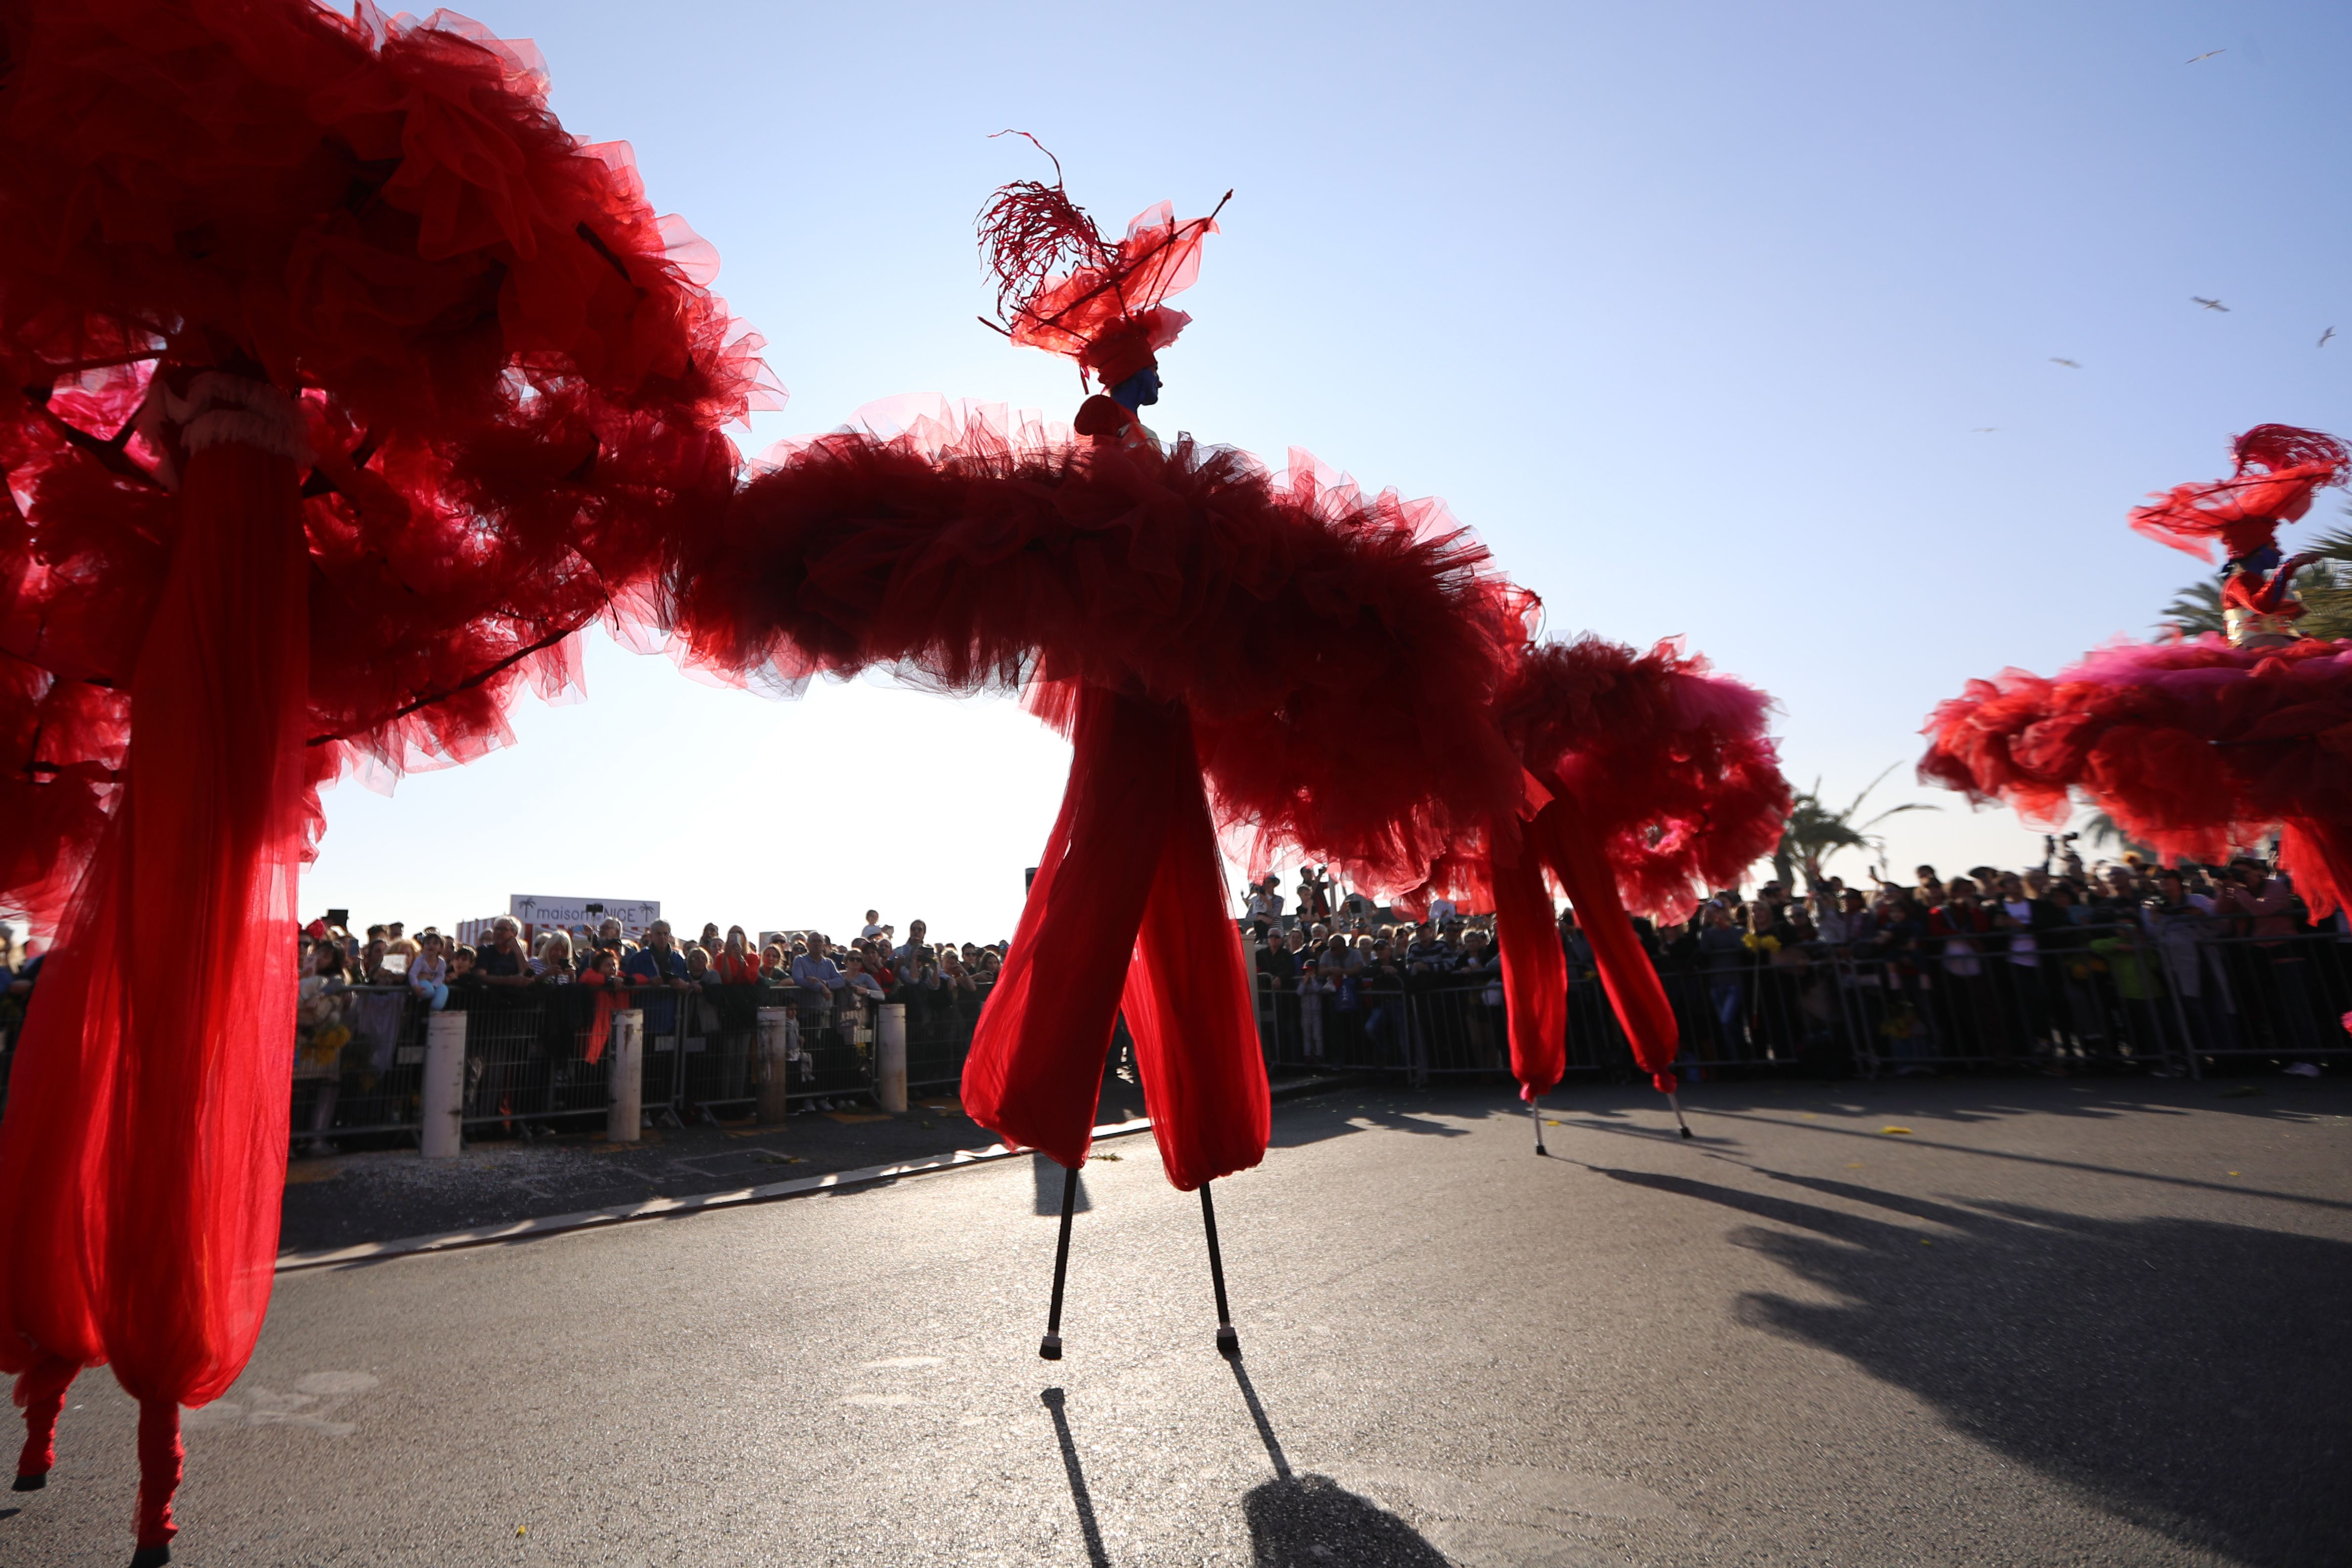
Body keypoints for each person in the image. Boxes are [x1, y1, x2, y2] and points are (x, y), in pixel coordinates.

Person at [474, 917, 534, 988]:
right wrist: (510, 980)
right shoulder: (484, 950)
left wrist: (519, 952)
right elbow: (480, 976)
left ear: (514, 934)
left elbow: (530, 978)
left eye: (503, 929)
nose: (498, 932)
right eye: (496, 929)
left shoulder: (517, 953)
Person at [408, 931, 451, 1011]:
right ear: (423, 946)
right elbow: (413, 974)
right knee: (428, 991)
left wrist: (434, 985)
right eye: (428, 943)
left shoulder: (442, 962)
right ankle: (422, 1005)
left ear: (441, 948)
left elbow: (441, 976)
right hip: (420, 982)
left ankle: (433, 1009)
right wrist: (415, 986)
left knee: (444, 989)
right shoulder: (420, 960)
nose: (431, 945)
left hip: (433, 983)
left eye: (435, 944)